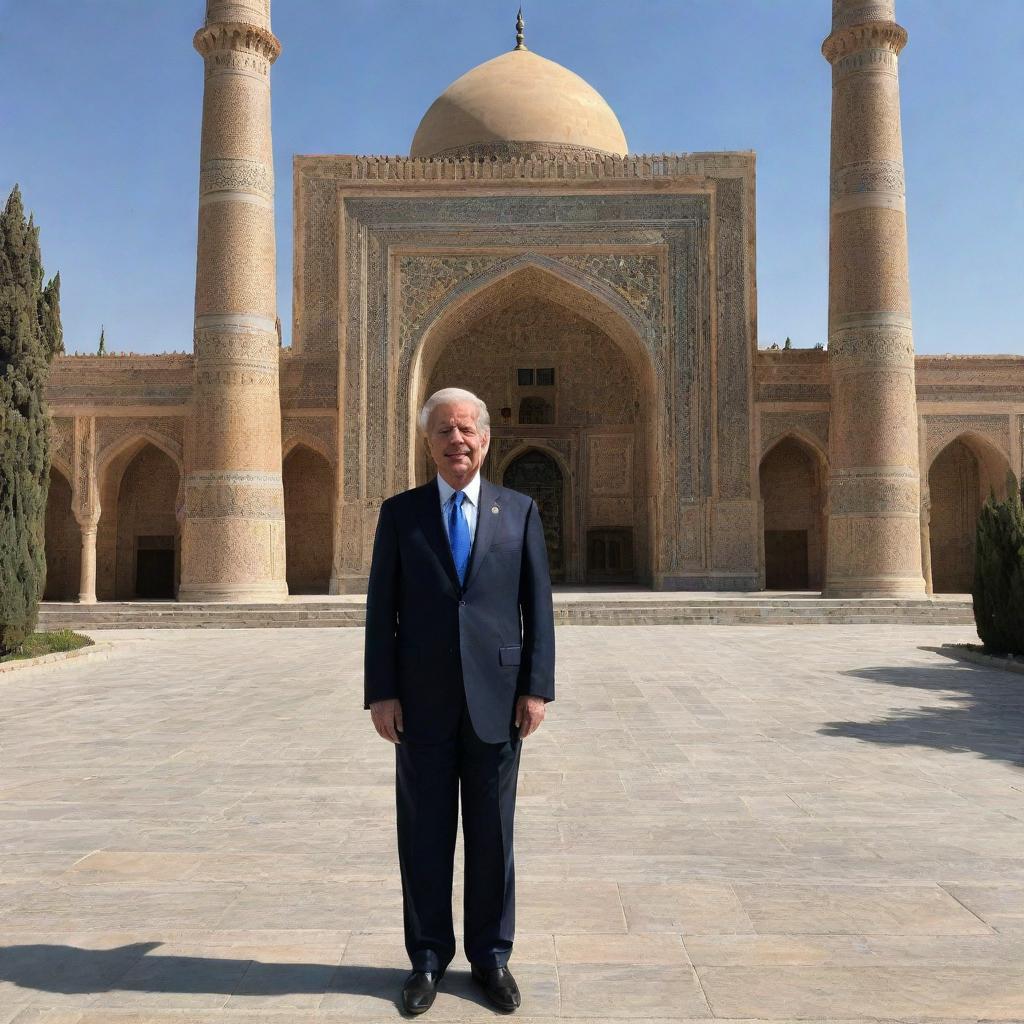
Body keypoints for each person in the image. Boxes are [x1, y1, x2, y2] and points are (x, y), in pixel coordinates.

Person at [364, 386, 555, 1014]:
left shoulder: (519, 510)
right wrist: (382, 692)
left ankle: (491, 957)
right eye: (445, 430)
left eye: (467, 429)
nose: (457, 440)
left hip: (498, 699)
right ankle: (426, 958)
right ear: (429, 441)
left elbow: (538, 609)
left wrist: (536, 688)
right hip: (419, 702)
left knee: (493, 834)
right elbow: (381, 612)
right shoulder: (402, 514)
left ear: (486, 439)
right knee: (424, 832)